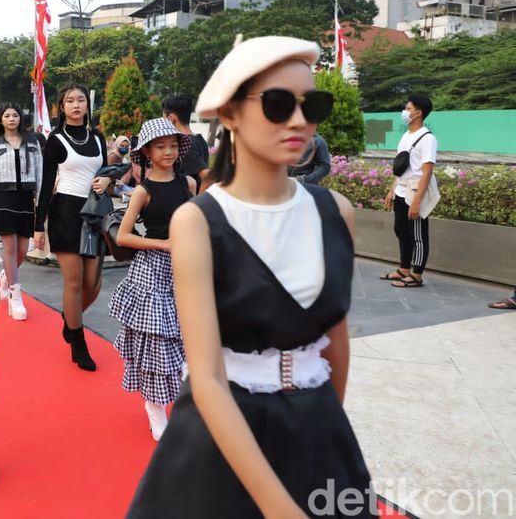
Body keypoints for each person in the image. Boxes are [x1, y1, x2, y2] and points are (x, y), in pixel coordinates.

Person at [126, 35, 373, 518]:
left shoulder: (334, 211)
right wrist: (280, 507)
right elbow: (209, 378)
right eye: (279, 104)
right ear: (231, 114)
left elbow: (335, 342)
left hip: (317, 427)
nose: (300, 120)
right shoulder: (198, 220)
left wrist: (324, 433)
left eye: (312, 104)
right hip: (219, 439)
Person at [108, 118, 197, 442]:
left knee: (188, 337)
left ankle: (181, 399)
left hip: (187, 268)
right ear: (147, 150)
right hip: (153, 272)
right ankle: (155, 405)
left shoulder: (188, 184)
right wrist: (163, 244)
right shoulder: (142, 191)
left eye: (173, 145)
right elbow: (124, 236)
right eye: (161, 146)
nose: (169, 151)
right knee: (155, 342)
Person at [34, 84, 113, 371]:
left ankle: (70, 320)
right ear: (61, 107)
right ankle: (78, 342)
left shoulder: (98, 136)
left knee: (93, 282)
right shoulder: (55, 140)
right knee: (75, 282)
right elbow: (45, 186)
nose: (76, 104)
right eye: (70, 100)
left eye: (81, 99)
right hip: (65, 211)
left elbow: (105, 172)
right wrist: (38, 226)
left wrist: (108, 181)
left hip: (94, 211)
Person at [0, 103, 42, 321]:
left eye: (15, 115)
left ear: (21, 118)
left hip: (25, 199)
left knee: (22, 250)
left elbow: (40, 174)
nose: (11, 119)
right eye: (7, 115)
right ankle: (15, 295)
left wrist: (40, 205)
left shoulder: (33, 143)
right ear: (0, 119)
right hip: (2, 197)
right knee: (9, 246)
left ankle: (5, 277)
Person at [380, 94, 437, 290]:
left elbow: (427, 172)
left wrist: (417, 201)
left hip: (415, 193)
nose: (404, 112)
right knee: (401, 230)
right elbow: (401, 166)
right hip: (401, 191)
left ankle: (416, 275)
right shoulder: (406, 136)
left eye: (408, 108)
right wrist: (392, 189)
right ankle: (404, 269)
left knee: (419, 236)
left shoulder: (427, 138)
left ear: (418, 113)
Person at [162, 93, 211, 184]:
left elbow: (207, 177)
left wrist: (197, 198)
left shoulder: (187, 144)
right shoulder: (198, 139)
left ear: (171, 118)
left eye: (164, 118)